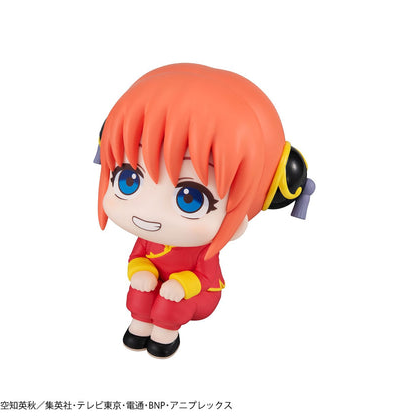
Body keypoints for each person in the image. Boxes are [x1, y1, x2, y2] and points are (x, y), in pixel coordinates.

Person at [94, 63, 314, 358]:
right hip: (157, 286)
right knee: (139, 292)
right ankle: (139, 326)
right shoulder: (149, 238)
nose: (149, 212)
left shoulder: (201, 250)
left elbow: (206, 277)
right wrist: (141, 271)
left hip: (197, 295)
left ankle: (165, 335)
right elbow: (137, 258)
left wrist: (183, 285)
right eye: (128, 179)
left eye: (191, 197)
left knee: (169, 304)